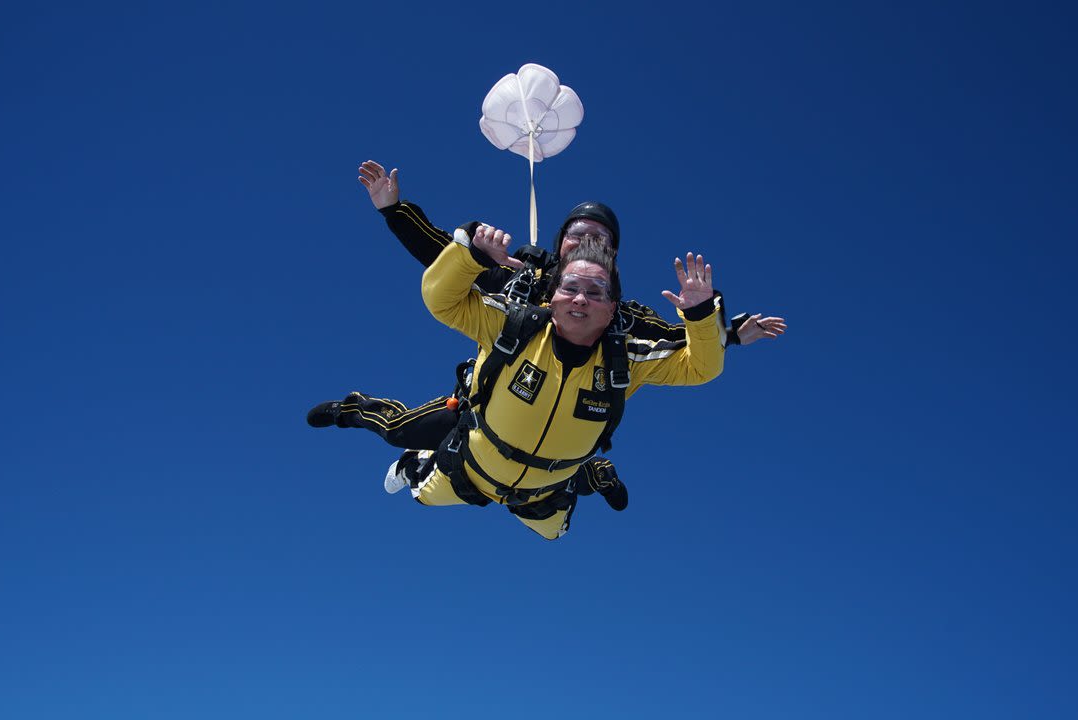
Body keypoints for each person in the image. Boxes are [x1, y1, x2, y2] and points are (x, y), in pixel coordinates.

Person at [307, 161, 786, 511]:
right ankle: (356, 411)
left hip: (564, 416)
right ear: (560, 241)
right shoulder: (520, 275)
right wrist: (398, 213)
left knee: (556, 467)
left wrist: (726, 331)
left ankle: (589, 471)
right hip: (491, 396)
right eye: (577, 235)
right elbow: (441, 264)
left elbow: (680, 343)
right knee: (400, 430)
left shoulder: (617, 314)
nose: (587, 246)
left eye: (602, 241)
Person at [404, 228, 724, 539]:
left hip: (544, 494)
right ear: (553, 296)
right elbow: (442, 302)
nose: (581, 299)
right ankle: (415, 460)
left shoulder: (626, 359)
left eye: (596, 292)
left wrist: (700, 315)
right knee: (421, 493)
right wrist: (469, 256)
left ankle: (589, 477)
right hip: (472, 468)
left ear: (613, 309)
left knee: (554, 532)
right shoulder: (511, 325)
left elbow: (700, 368)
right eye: (570, 288)